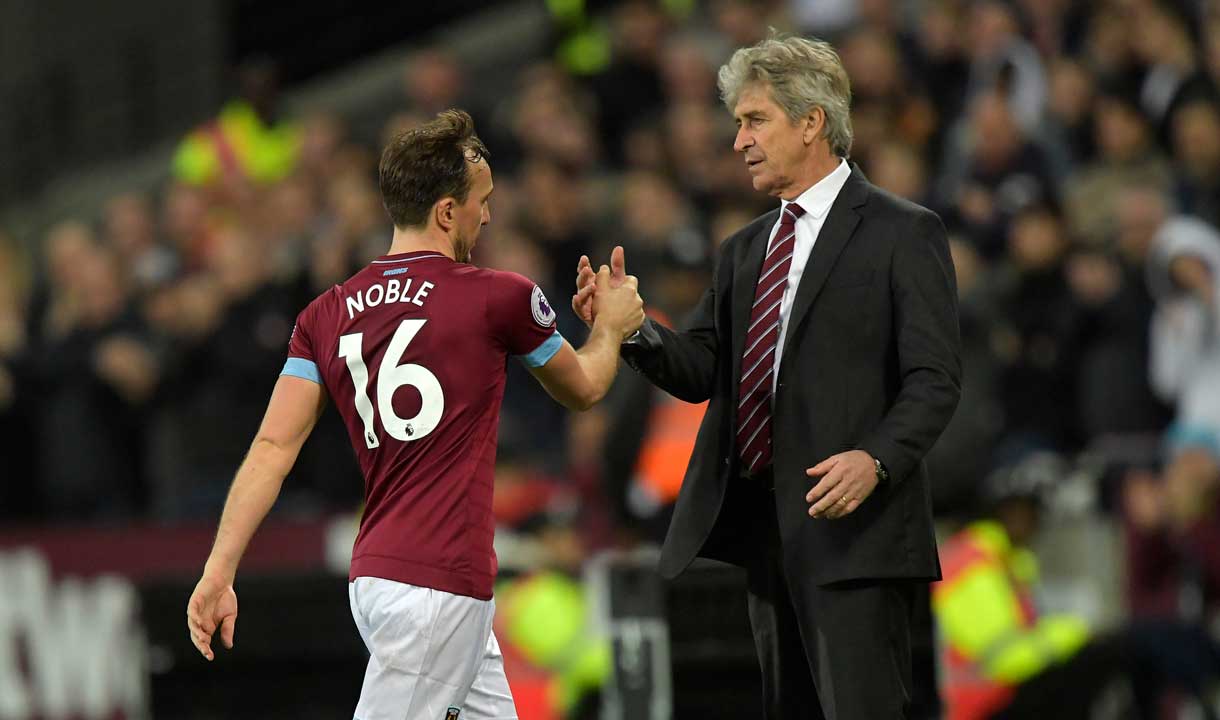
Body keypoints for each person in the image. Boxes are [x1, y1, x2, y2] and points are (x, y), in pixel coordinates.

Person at [186, 109, 645, 720]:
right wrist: (610, 328)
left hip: (382, 574)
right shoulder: (498, 296)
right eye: (482, 201)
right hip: (437, 584)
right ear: (446, 211)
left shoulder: (325, 315)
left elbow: (271, 449)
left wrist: (220, 568)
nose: (488, 215)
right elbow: (584, 387)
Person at [575, 34, 962, 718]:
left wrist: (877, 458)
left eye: (755, 120)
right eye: (737, 124)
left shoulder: (904, 233)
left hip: (857, 537)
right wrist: (631, 327)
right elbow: (701, 371)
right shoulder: (743, 249)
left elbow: (934, 379)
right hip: (767, 534)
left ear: (811, 121)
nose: (739, 141)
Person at [936, 453, 1220, 720]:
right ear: (1005, 509)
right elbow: (1005, 657)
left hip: (1002, 698)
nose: (1037, 522)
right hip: (985, 707)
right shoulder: (974, 564)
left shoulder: (1003, 560)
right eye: (1029, 510)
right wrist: (1077, 633)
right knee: (1124, 646)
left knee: (1135, 646)